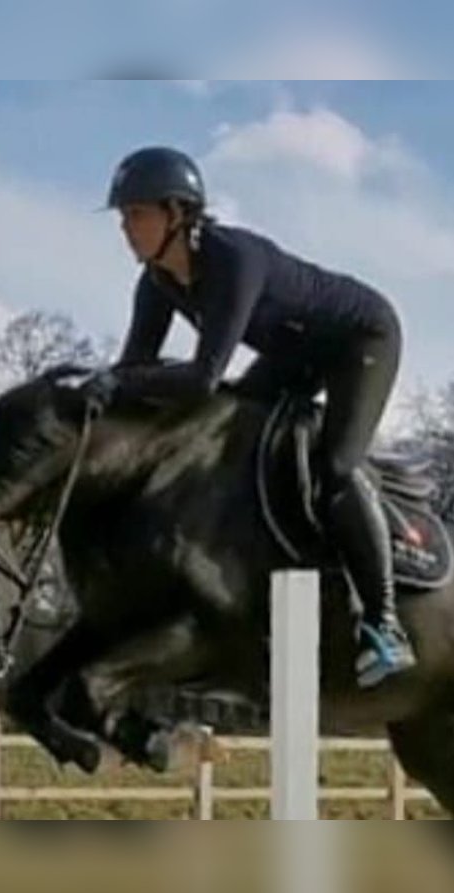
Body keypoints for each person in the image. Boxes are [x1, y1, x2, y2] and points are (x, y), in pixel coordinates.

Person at [97, 145, 415, 689]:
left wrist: (115, 382)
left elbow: (201, 377)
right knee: (232, 429)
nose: (127, 229)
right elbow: (133, 373)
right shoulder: (156, 284)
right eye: (124, 218)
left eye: (137, 215)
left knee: (334, 468)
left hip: (361, 338)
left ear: (177, 214)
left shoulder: (231, 259)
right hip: (298, 351)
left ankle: (384, 625)